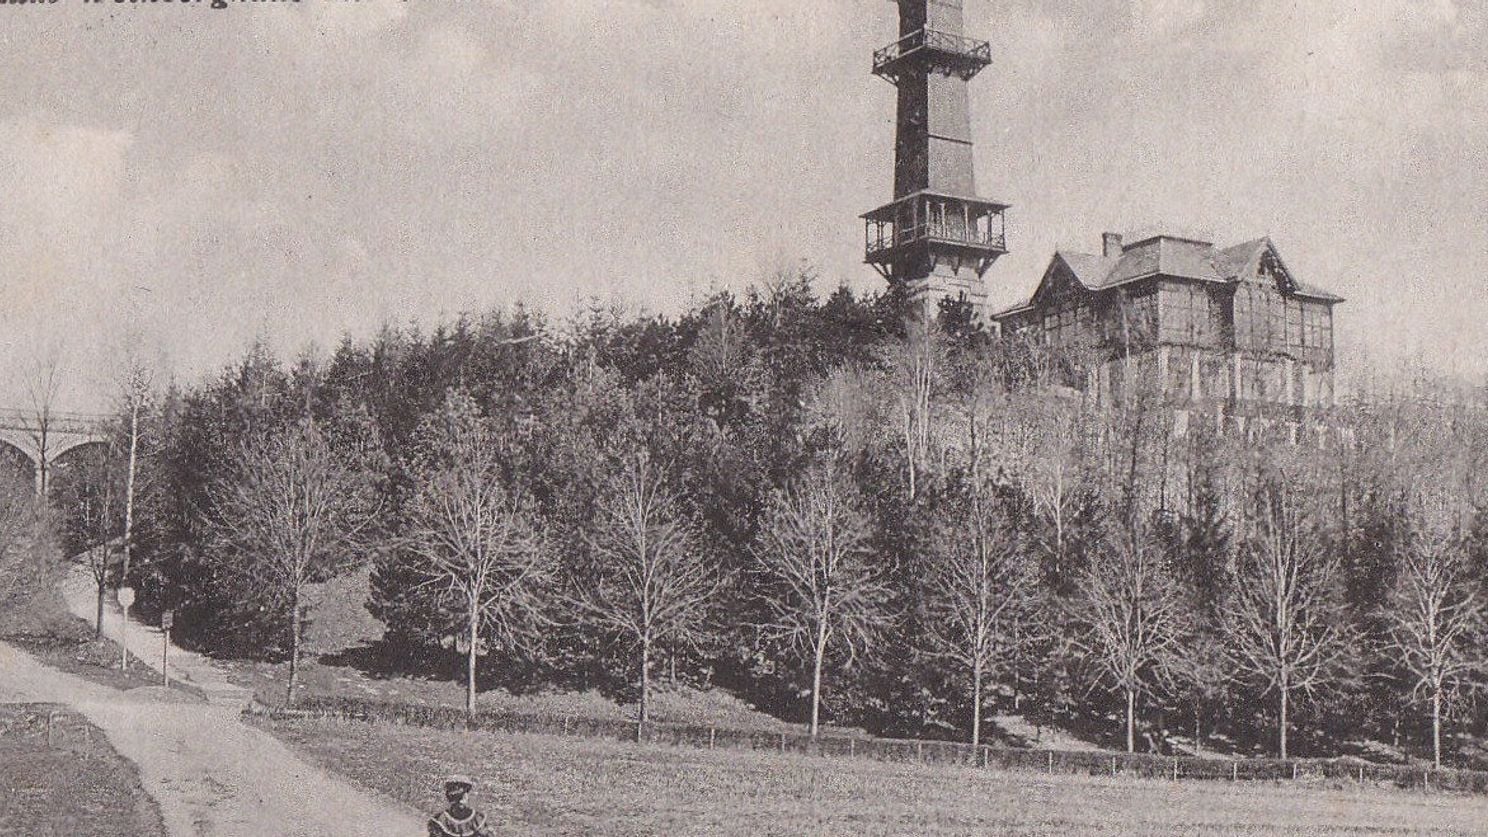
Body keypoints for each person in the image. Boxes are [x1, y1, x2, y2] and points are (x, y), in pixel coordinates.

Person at [427, 774, 494, 837]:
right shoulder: (440, 820)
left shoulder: (478, 819)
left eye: (466, 792)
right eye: (459, 796)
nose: (464, 797)